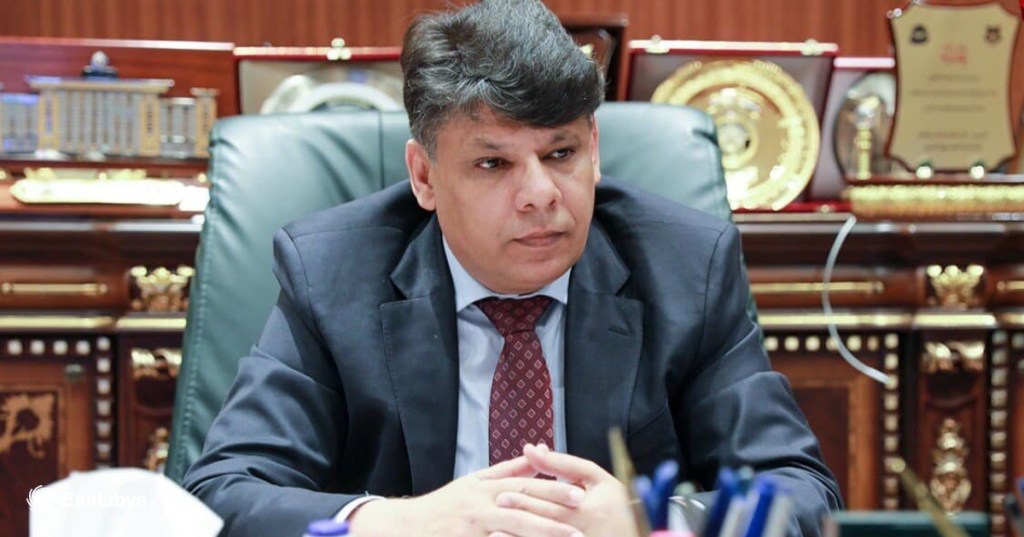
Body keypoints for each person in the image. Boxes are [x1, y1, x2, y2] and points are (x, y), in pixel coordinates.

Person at [182, 0, 842, 535]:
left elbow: (801, 491)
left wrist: (652, 521)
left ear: (594, 150)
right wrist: (399, 521)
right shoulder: (333, 275)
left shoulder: (685, 268)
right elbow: (220, 495)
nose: (540, 193)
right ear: (424, 176)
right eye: (493, 163)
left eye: (561, 153)